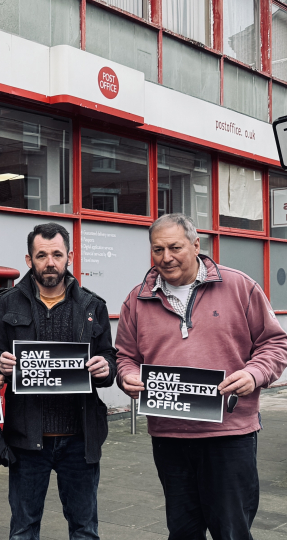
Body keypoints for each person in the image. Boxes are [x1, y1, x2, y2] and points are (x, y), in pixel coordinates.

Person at [116, 213, 287, 540]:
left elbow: (275, 343)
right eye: (157, 249)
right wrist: (128, 376)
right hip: (169, 437)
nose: (166, 257)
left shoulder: (239, 286)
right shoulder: (137, 299)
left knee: (231, 530)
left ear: (196, 245)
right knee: (182, 531)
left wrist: (255, 373)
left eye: (175, 247)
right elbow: (125, 355)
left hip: (229, 435)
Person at [0, 222, 116, 540]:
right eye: (41, 255)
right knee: (23, 529)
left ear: (69, 256)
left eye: (57, 254)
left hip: (79, 438)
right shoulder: (8, 303)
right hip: (27, 438)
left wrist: (105, 368)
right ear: (29, 260)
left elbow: (110, 360)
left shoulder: (92, 306)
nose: (50, 262)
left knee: (84, 529)